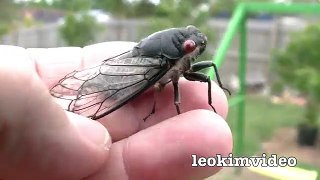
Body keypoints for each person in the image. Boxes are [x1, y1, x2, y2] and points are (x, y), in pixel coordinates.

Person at [0, 42, 232, 180]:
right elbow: (164, 85)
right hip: (135, 75)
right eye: (191, 47)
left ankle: (213, 98)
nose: (196, 51)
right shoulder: (166, 61)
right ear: (181, 50)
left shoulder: (182, 59)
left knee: (205, 78)